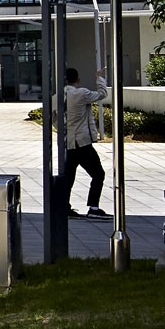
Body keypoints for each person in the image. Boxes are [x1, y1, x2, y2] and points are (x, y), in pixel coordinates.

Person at [59, 64, 108, 215]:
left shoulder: (59, 95)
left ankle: (64, 206)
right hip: (83, 142)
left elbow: (54, 117)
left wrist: (63, 129)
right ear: (78, 79)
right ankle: (93, 207)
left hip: (69, 143)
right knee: (98, 174)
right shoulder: (81, 93)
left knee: (68, 177)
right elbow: (102, 94)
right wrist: (99, 77)